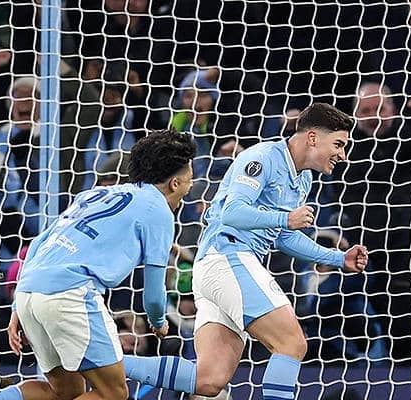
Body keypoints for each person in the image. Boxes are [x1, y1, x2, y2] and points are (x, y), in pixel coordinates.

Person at [119, 102, 369, 398]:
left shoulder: (303, 178)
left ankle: (103, 362)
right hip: (228, 257)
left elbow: (284, 237)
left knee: (208, 379)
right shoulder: (263, 158)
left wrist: (338, 257)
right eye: (338, 144)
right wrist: (285, 219)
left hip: (219, 268)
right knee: (292, 343)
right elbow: (232, 213)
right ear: (312, 137)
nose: (342, 154)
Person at [0, 130, 197, 400]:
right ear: (175, 183)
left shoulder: (95, 194)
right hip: (72, 294)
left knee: (63, 393)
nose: (191, 185)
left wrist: (17, 305)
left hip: (30, 292)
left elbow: (38, 243)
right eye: (190, 179)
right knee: (113, 394)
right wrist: (159, 322)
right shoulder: (159, 211)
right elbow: (154, 295)